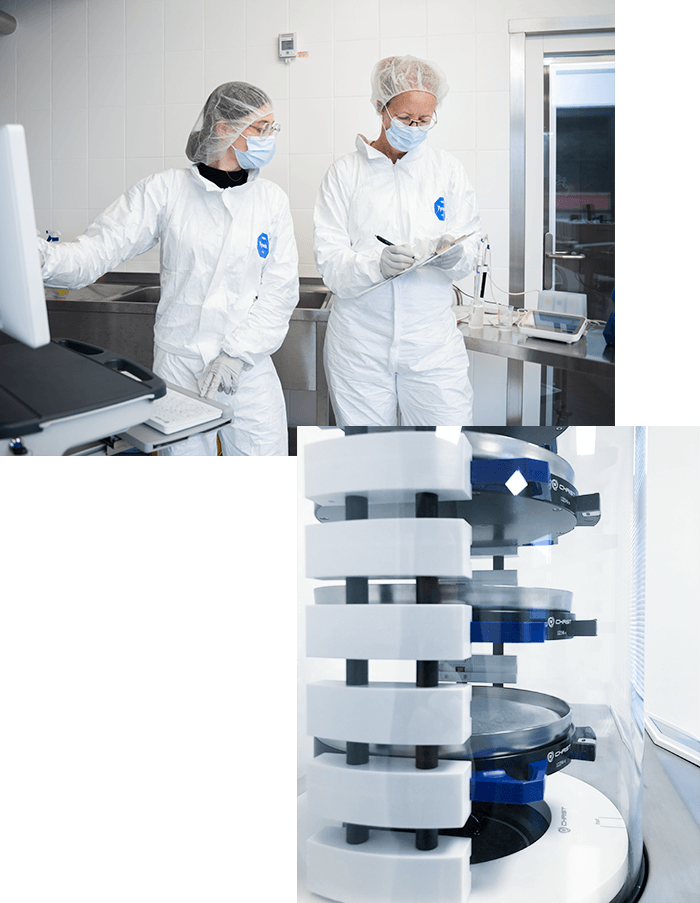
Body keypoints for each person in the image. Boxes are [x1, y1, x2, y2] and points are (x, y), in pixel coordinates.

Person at [39, 82, 298, 455]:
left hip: (247, 369)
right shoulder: (165, 191)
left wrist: (237, 356)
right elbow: (97, 251)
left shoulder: (270, 201)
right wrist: (40, 258)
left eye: (272, 129)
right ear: (224, 128)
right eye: (261, 128)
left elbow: (280, 290)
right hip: (180, 364)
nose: (269, 139)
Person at [313, 55, 481, 426]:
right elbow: (329, 262)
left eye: (425, 120)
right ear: (380, 108)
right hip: (360, 345)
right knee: (370, 457)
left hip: (432, 345)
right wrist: (375, 265)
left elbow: (472, 246)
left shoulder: (446, 171)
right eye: (406, 119)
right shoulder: (345, 174)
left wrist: (455, 254)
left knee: (445, 447)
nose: (415, 127)